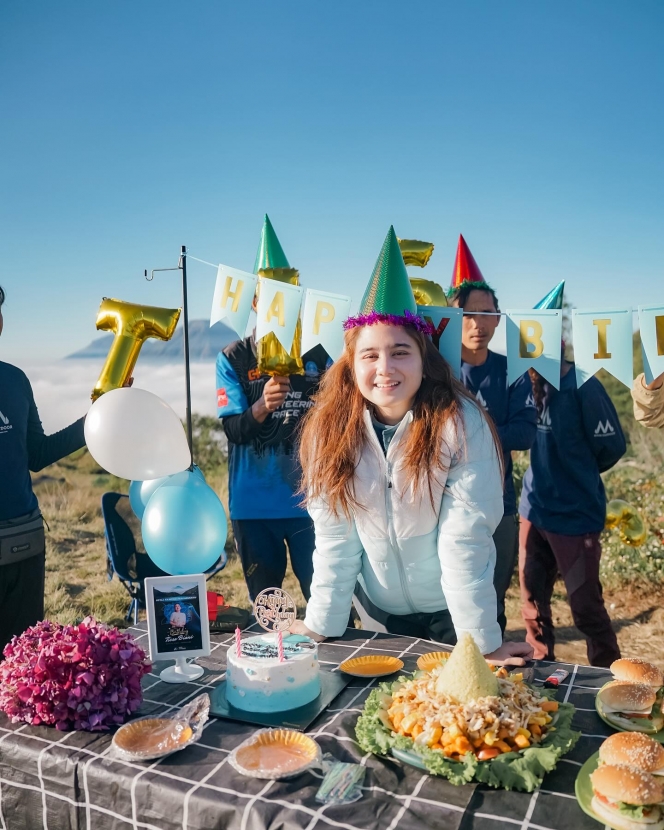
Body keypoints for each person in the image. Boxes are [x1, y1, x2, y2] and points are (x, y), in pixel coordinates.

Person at [289, 227, 533, 666]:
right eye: (370, 355)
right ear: (351, 363)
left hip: (452, 607)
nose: (385, 368)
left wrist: (479, 642)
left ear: (424, 359)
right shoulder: (328, 431)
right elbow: (335, 536)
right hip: (378, 609)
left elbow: (465, 537)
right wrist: (321, 623)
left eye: (400, 352)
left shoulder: (460, 422)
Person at [216, 216, 328, 603]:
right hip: (253, 508)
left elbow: (336, 419)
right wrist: (263, 406)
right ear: (255, 301)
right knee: (268, 610)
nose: (280, 304)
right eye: (270, 294)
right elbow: (232, 430)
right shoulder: (233, 357)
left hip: (311, 506)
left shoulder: (316, 353)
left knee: (328, 604)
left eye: (287, 294)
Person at [448, 235, 537, 634]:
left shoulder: (511, 370)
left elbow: (525, 432)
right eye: (467, 314)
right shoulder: (437, 371)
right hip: (439, 503)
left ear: (498, 318)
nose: (477, 323)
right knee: (446, 601)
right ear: (450, 319)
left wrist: (470, 427)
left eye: (485, 314)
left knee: (492, 601)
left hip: (498, 502)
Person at [519, 351, 626, 667]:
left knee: (585, 608)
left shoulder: (583, 384)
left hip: (575, 516)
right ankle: (539, 668)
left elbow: (612, 447)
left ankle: (608, 680)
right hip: (534, 507)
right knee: (532, 603)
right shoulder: (527, 380)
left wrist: (575, 478)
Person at [0, 285, 87, 651]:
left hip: (23, 543)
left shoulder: (15, 380)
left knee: (23, 664)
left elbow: (37, 453)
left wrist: (98, 419)